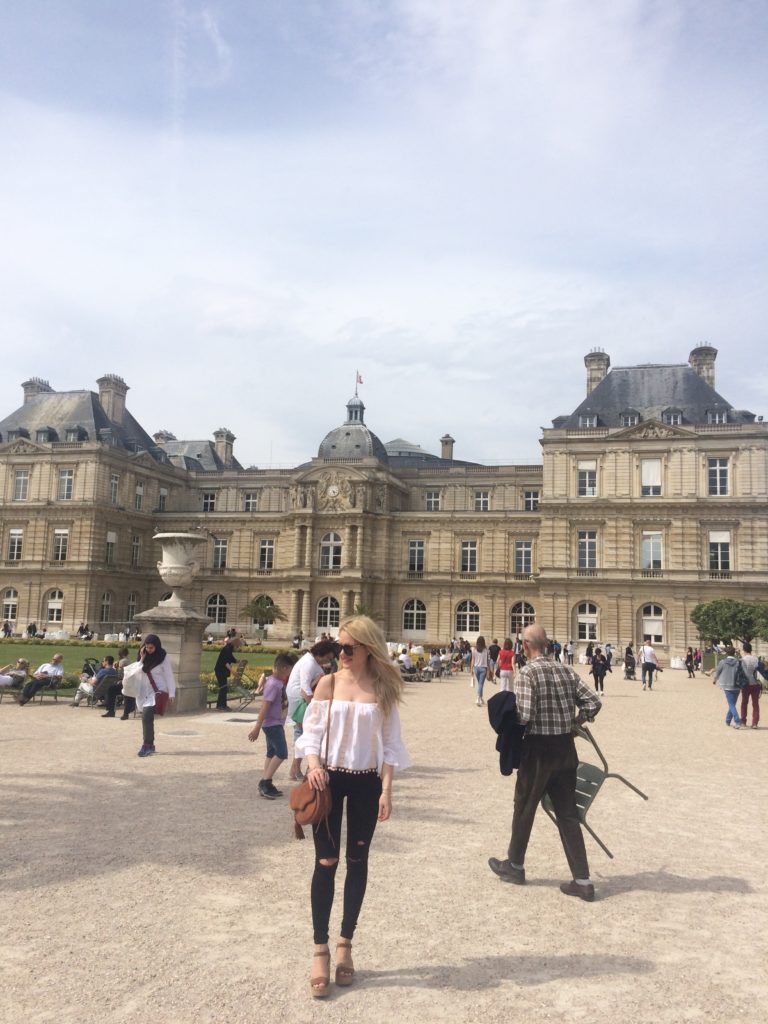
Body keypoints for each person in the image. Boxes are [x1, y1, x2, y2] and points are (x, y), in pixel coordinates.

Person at [296, 616, 410, 998]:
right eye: (338, 646)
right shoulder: (327, 683)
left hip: (365, 783)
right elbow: (311, 734)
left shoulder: (383, 688)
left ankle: (345, 944)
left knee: (358, 862)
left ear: (367, 649)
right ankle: (320, 950)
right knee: (326, 862)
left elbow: (391, 745)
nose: (340, 654)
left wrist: (387, 790)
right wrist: (313, 767)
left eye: (348, 648)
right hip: (327, 780)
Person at [488, 624, 602, 901]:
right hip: (565, 749)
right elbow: (593, 702)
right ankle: (583, 880)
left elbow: (525, 715)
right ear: (548, 644)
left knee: (525, 806)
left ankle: (514, 865)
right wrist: (575, 722)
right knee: (567, 813)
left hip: (538, 751)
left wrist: (506, 719)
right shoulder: (565, 670)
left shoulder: (527, 673)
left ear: (525, 646)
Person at [285, 640, 338, 782]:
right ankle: (296, 768)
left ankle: (298, 768)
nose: (328, 661)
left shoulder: (313, 663)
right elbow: (305, 689)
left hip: (303, 700)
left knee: (304, 734)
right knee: (304, 734)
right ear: (320, 654)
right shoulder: (309, 663)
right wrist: (316, 709)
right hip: (301, 702)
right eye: (328, 657)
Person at [248, 653, 297, 798]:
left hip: (275, 723)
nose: (290, 673)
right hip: (272, 724)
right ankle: (265, 782)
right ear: (282, 668)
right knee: (281, 752)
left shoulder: (276, 682)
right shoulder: (273, 684)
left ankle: (266, 781)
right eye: (289, 670)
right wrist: (257, 727)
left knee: (271, 753)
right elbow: (265, 706)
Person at [123, 634, 176, 756]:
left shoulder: (163, 657)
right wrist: (141, 658)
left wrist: (171, 693)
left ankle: (146, 744)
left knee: (146, 716)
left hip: (156, 691)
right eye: (147, 647)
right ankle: (150, 744)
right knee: (147, 718)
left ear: (156, 646)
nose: (149, 650)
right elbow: (135, 672)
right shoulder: (143, 657)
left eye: (151, 648)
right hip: (143, 691)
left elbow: (169, 675)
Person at [713, 646, 743, 729]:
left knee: (731, 704)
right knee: (732, 704)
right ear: (734, 653)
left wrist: (715, 680)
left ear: (726, 653)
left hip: (727, 685)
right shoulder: (738, 662)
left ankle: (737, 721)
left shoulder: (723, 662)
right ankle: (728, 720)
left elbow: (718, 672)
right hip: (737, 685)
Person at [103, 647, 137, 719]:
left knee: (111, 690)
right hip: (132, 684)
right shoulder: (129, 661)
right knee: (125, 693)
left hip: (125, 683)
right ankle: (126, 712)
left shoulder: (122, 661)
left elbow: (120, 674)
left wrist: (116, 667)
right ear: (127, 653)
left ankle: (111, 711)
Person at [213, 635, 240, 711]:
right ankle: (220, 706)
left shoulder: (229, 648)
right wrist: (233, 671)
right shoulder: (227, 649)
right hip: (220, 670)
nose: (238, 647)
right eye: (238, 646)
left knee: (224, 687)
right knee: (223, 688)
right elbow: (226, 662)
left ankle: (223, 705)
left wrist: (238, 661)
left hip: (221, 670)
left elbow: (231, 658)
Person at [738, 642, 761, 729]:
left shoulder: (742, 660)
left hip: (745, 684)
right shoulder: (756, 659)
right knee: (755, 704)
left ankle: (743, 722)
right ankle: (755, 723)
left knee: (744, 703)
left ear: (744, 650)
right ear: (751, 649)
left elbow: (740, 673)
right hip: (755, 683)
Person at [470, 635, 490, 707]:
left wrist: (471, 669)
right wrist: (488, 670)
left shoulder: (474, 649)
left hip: (476, 668)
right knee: (481, 684)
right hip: (483, 668)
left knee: (480, 684)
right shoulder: (486, 650)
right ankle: (479, 698)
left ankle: (480, 698)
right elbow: (488, 661)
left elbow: (473, 660)